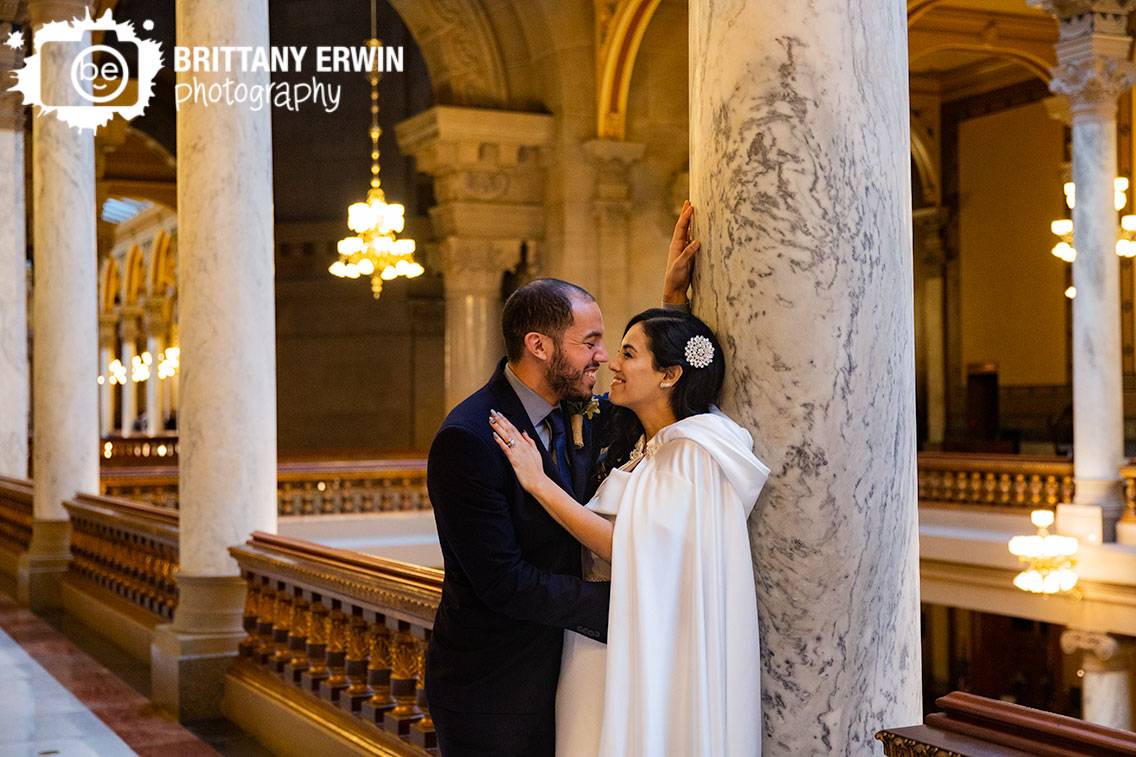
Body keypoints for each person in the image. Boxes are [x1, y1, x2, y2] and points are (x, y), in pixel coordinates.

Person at [426, 207, 701, 756]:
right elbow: (503, 581)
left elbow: (661, 399)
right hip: (495, 688)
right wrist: (628, 601)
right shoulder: (469, 439)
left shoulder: (584, 410)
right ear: (539, 346)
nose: (603, 356)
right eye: (591, 341)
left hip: (573, 673)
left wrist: (674, 304)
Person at [490, 309, 769, 756]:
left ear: (670, 375)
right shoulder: (641, 444)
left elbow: (634, 550)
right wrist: (672, 299)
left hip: (633, 644)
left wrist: (539, 483)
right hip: (601, 641)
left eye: (627, 353)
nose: (611, 364)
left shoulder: (692, 454)